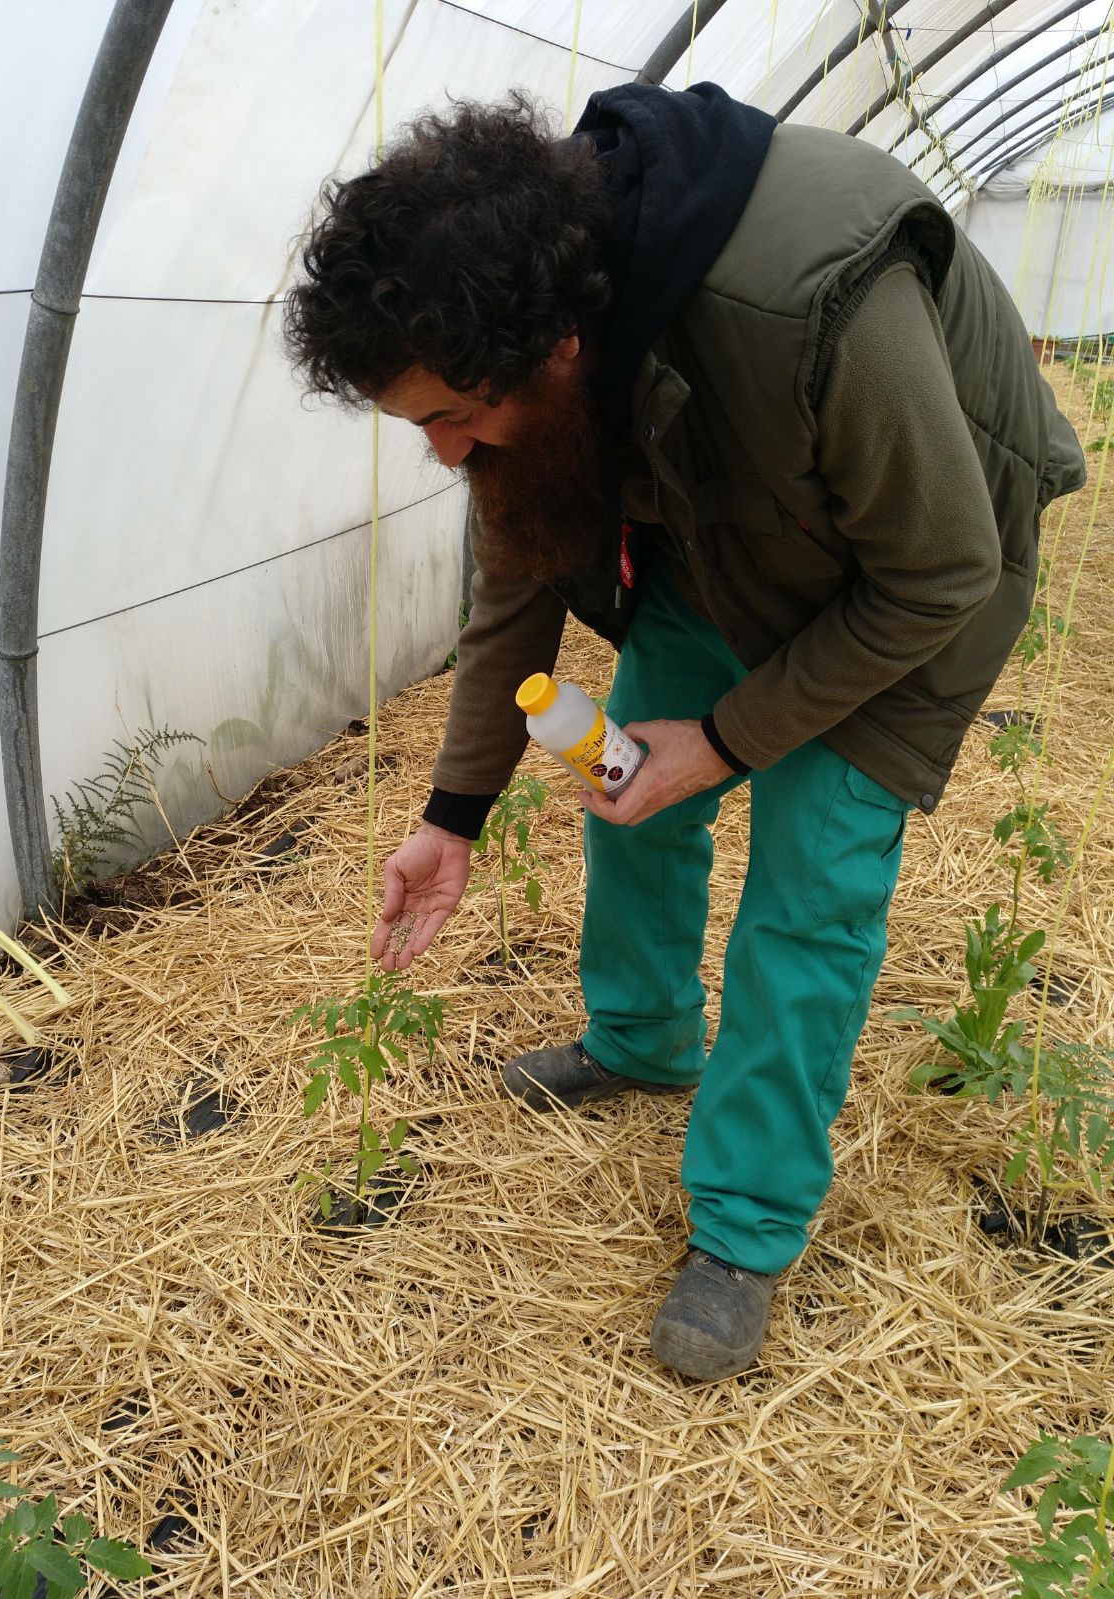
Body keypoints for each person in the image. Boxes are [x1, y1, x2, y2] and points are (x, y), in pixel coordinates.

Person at [284, 85, 1085, 1380]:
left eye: (447, 416)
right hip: (733, 538)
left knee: (810, 889)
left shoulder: (815, 298)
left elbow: (939, 573)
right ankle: (644, 1039)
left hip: (917, 574)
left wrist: (725, 738)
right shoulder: (530, 335)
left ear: (556, 351)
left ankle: (746, 1227)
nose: (439, 452)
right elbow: (516, 580)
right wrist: (451, 819)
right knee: (625, 791)